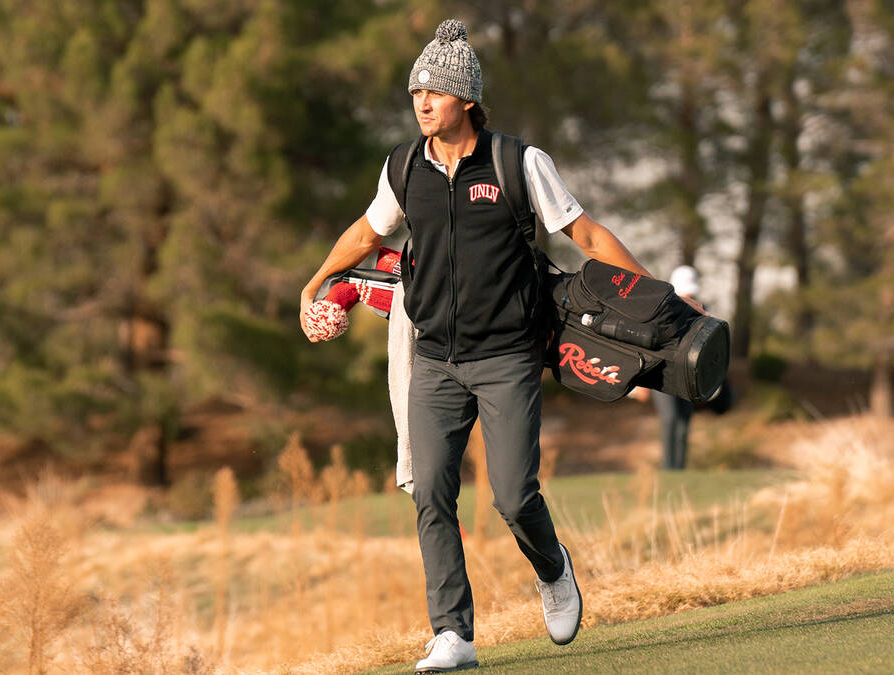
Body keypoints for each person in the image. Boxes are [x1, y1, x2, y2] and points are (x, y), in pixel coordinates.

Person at [299, 19, 652, 673]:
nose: (422, 103)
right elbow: (364, 231)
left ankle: (552, 568)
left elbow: (589, 236)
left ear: (465, 98)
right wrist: (319, 279)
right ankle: (452, 632)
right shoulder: (404, 167)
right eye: (415, 94)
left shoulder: (519, 162)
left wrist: (652, 301)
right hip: (434, 359)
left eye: (433, 92)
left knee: (515, 495)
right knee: (430, 491)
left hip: (508, 356)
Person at [633, 265, 702, 470]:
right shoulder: (661, 311)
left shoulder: (702, 310)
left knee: (683, 424)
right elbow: (648, 347)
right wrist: (641, 382)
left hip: (687, 379)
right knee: (670, 419)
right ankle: (668, 469)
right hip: (661, 376)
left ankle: (679, 470)